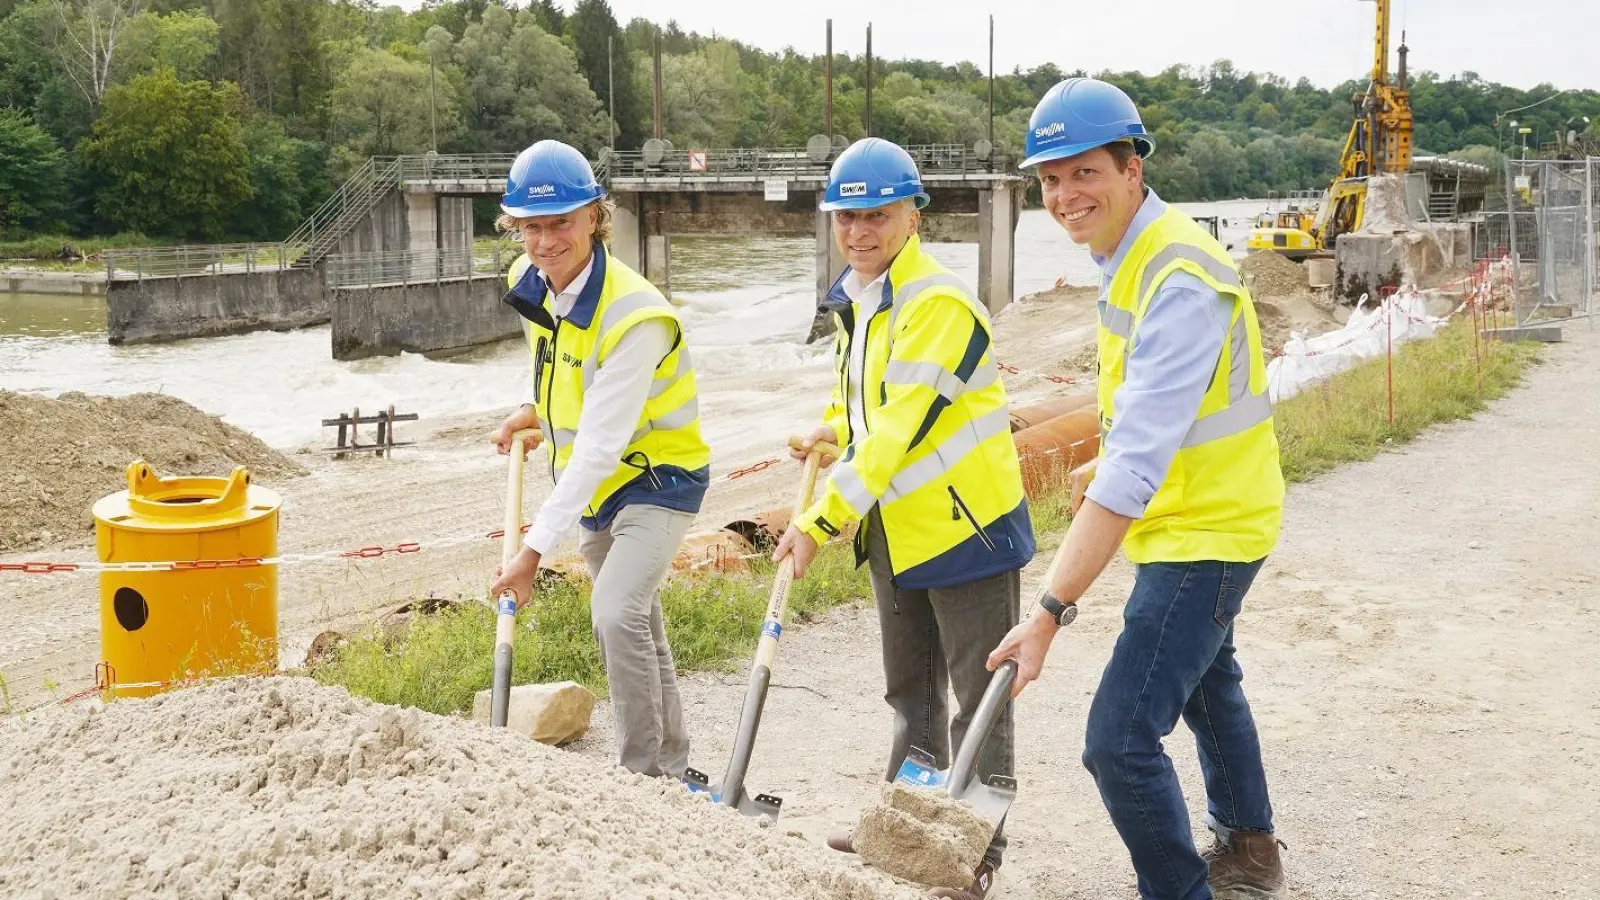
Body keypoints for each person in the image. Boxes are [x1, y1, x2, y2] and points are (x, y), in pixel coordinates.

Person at [985, 78, 1288, 900]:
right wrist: (1109, 460)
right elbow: (1148, 421)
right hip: (1195, 513)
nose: (1064, 195)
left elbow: (1135, 468)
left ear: (1131, 168)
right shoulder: (1130, 254)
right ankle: (1251, 850)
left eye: (1083, 173)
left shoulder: (1179, 278)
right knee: (1209, 682)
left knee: (1118, 738)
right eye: (1049, 180)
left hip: (1209, 528)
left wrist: (1048, 611)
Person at [772, 137, 1036, 900]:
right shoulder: (861, 297)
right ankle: (904, 822)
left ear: (914, 215)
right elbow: (864, 402)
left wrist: (820, 524)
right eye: (846, 218)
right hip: (899, 527)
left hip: (967, 531)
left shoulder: (941, 306)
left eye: (877, 215)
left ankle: (974, 848)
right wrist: (831, 427)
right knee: (911, 692)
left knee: (978, 699)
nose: (859, 232)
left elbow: (897, 431)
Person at [488, 139, 711, 780]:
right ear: (515, 227)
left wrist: (531, 552)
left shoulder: (635, 314)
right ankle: (673, 763)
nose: (546, 240)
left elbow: (601, 443)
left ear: (594, 215)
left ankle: (640, 776)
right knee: (639, 625)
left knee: (615, 612)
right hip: (596, 487)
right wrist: (533, 411)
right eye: (532, 226)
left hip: (658, 478)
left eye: (561, 222)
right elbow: (561, 365)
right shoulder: (528, 283)